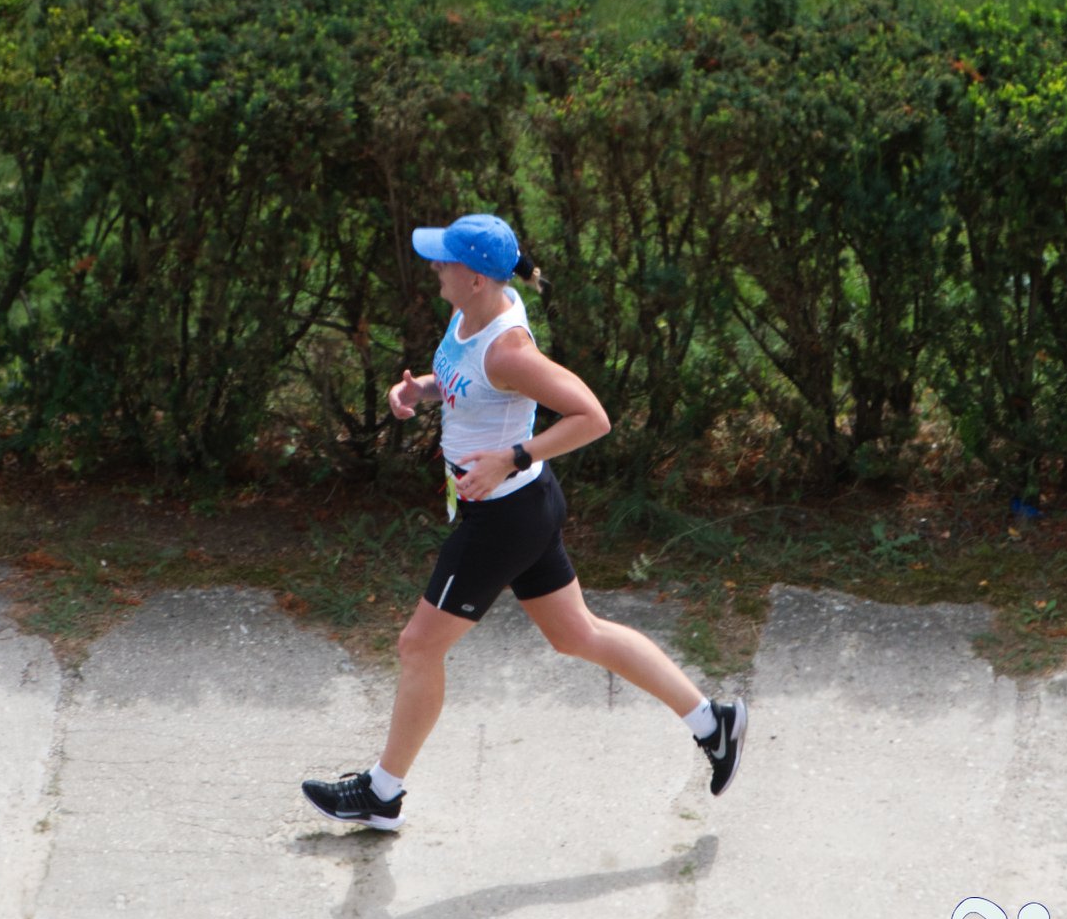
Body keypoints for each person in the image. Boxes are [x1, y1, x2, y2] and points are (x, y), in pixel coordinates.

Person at [302, 213, 746, 831]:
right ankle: (712, 722)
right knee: (578, 634)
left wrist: (512, 456)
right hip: (523, 507)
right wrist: (421, 391)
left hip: (502, 519)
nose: (435, 267)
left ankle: (382, 791)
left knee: (418, 646)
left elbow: (592, 417)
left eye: (446, 260)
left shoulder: (509, 349)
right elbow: (467, 382)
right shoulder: (470, 313)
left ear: (477, 278)